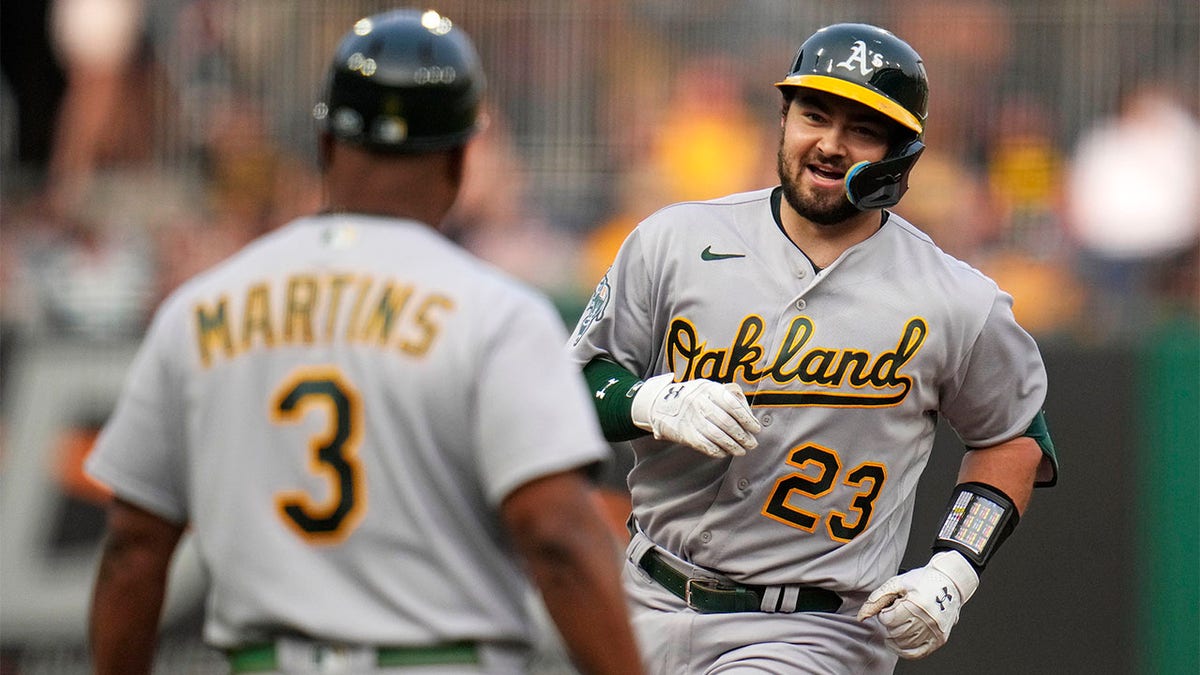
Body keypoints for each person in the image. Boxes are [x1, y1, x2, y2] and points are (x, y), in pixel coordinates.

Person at [85, 9, 643, 675]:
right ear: (461, 153)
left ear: (324, 141)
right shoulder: (495, 312)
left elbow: (132, 550)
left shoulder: (201, 307)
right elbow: (555, 533)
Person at [568, 22, 1058, 674]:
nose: (829, 143)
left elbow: (1013, 438)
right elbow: (573, 382)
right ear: (784, 117)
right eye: (814, 115)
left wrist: (954, 566)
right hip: (642, 595)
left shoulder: (953, 297)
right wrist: (646, 398)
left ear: (898, 153)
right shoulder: (676, 240)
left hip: (813, 630)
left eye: (861, 128)